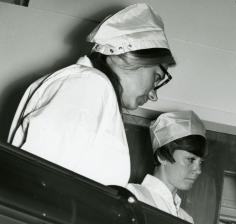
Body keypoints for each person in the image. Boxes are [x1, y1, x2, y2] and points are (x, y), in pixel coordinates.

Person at [8, 3, 175, 186]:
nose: (153, 95)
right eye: (157, 77)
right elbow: (44, 182)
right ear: (130, 57)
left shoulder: (90, 86)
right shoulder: (89, 84)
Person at [127, 110, 207, 223]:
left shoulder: (187, 220)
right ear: (162, 157)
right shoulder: (134, 196)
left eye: (200, 162)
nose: (198, 170)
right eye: (190, 159)